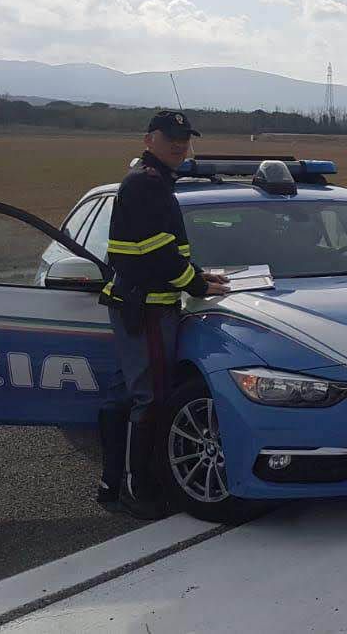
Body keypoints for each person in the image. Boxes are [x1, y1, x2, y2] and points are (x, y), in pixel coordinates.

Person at [96, 111, 229, 518]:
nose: (179, 145)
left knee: (128, 397)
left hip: (141, 304)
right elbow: (158, 254)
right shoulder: (148, 186)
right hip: (149, 308)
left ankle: (112, 484)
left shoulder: (148, 182)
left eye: (185, 138)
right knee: (150, 400)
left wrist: (196, 274)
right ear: (149, 139)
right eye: (170, 137)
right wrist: (198, 284)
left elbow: (158, 249)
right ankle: (140, 489)